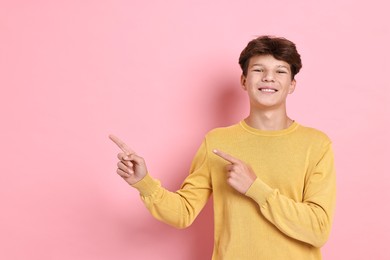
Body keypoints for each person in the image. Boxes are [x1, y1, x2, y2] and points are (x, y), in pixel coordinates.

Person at [109, 35, 336, 259]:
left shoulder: (316, 144)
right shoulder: (218, 142)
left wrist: (255, 188)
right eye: (258, 70)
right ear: (244, 81)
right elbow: (184, 212)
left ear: (292, 85)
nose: (269, 78)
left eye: (280, 71)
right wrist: (144, 183)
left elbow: (318, 229)